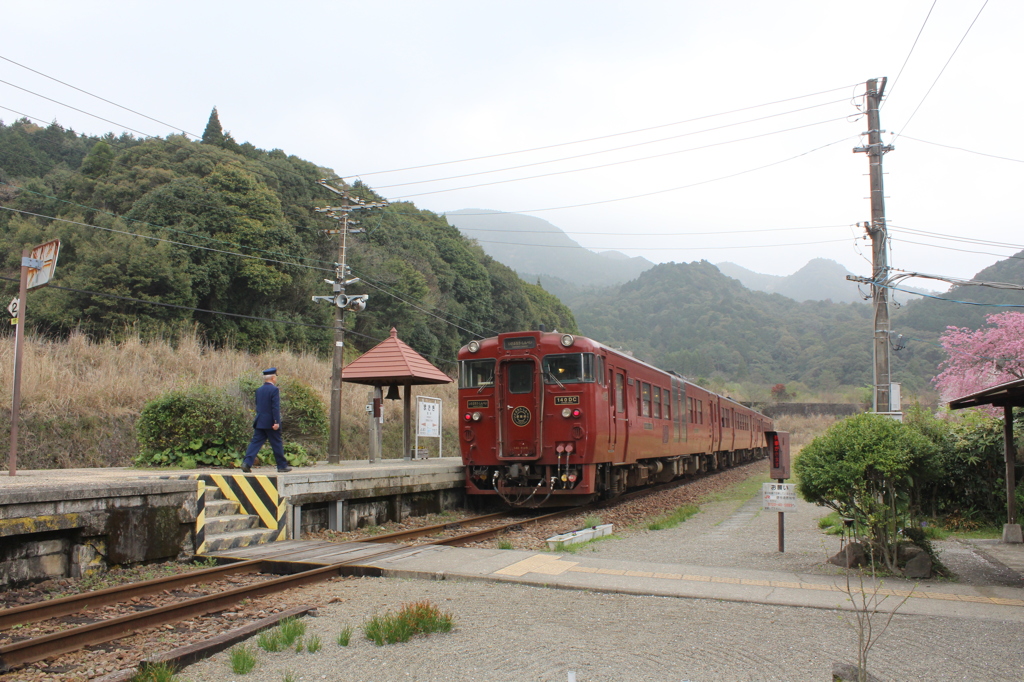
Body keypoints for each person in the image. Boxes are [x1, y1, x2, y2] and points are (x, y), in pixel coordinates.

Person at [241, 368, 292, 473]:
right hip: (271, 422)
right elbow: (275, 407)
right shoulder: (274, 390)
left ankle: (247, 462)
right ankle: (282, 465)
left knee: (255, 442)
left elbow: (258, 405)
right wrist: (276, 422)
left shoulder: (259, 390)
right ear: (273, 378)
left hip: (260, 421)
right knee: (276, 443)